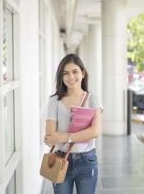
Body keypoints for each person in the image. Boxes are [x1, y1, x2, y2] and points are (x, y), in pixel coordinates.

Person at [44, 53, 103, 194]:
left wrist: (63, 137)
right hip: (60, 159)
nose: (71, 77)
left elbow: (94, 132)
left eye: (75, 72)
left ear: (83, 73)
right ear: (61, 77)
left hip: (87, 160)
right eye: (66, 73)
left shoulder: (93, 100)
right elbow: (50, 136)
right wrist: (54, 138)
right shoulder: (54, 101)